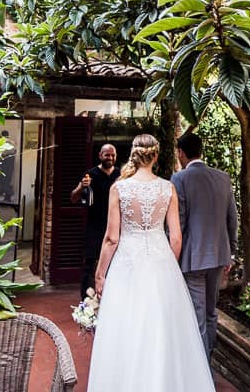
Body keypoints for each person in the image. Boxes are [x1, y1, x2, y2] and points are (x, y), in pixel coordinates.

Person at [87, 134, 215, 392]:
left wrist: (100, 275)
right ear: (155, 156)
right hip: (161, 262)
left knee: (126, 325)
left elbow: (112, 238)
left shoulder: (119, 189)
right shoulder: (167, 188)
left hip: (127, 264)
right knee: (162, 328)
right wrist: (170, 266)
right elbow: (176, 237)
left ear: (134, 154)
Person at [171, 132, 238, 363]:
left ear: (181, 153)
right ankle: (208, 359)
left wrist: (172, 257)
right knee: (210, 312)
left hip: (193, 258)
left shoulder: (179, 179)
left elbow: (178, 222)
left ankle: (201, 372)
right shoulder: (223, 178)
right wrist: (232, 253)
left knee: (197, 315)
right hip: (219, 256)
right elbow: (232, 219)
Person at [70, 144, 119, 299]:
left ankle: (110, 298)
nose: (110, 158)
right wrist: (81, 188)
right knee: (89, 264)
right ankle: (85, 302)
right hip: (94, 226)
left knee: (114, 263)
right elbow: (73, 198)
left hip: (115, 226)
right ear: (100, 155)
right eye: (107, 155)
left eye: (112, 155)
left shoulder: (120, 175)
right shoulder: (90, 174)